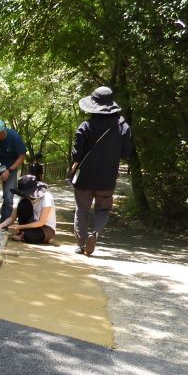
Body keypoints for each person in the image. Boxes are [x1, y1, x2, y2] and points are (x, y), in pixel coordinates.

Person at [69, 86, 133, 255]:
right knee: (103, 210)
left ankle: (81, 244)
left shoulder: (85, 126)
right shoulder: (123, 127)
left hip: (85, 176)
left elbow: (77, 154)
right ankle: (95, 234)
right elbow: (127, 153)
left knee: (82, 210)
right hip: (107, 177)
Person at [0, 175, 56, 244]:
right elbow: (12, 217)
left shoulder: (46, 197)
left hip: (45, 227)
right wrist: (1, 225)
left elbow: (41, 222)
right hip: (30, 225)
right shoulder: (23, 198)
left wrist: (19, 226)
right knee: (23, 204)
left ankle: (25, 234)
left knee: (30, 237)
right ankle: (23, 233)